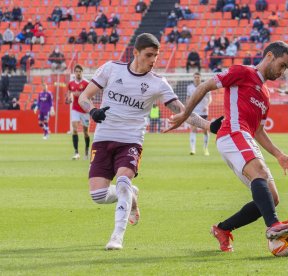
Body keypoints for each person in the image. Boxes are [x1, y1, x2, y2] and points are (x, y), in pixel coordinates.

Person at [165, 41, 288, 252]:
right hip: (232, 133)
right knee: (259, 173)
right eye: (283, 65)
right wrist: (185, 115)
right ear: (269, 56)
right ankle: (273, 226)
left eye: (286, 68)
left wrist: (279, 154)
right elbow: (205, 86)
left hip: (245, 137)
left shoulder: (265, 95)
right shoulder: (242, 72)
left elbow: (258, 131)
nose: (283, 72)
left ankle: (223, 229)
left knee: (272, 198)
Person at [77, 33, 210, 250]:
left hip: (130, 141)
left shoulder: (158, 83)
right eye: (148, 55)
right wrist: (92, 111)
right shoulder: (111, 68)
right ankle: (132, 194)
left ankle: (117, 237)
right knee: (98, 195)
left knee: (121, 182)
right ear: (135, 53)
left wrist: (209, 126)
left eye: (155, 56)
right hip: (103, 138)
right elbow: (84, 96)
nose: (152, 60)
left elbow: (182, 111)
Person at [66, 65, 90, 160]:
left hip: (85, 110)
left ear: (82, 72)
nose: (78, 73)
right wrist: (68, 99)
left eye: (80, 71)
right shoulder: (71, 83)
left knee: (85, 132)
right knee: (75, 129)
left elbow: (90, 96)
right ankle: (76, 153)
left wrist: (81, 95)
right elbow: (68, 94)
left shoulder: (86, 83)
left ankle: (87, 151)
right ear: (74, 72)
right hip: (75, 109)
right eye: (76, 71)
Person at [187, 72, 212, 155]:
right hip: (194, 111)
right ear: (193, 78)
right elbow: (188, 98)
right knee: (193, 129)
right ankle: (193, 149)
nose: (196, 78)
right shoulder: (189, 87)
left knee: (205, 130)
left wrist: (207, 106)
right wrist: (188, 108)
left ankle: (205, 149)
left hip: (203, 111)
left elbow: (209, 98)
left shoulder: (205, 86)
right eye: (195, 77)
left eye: (198, 77)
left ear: (200, 78)